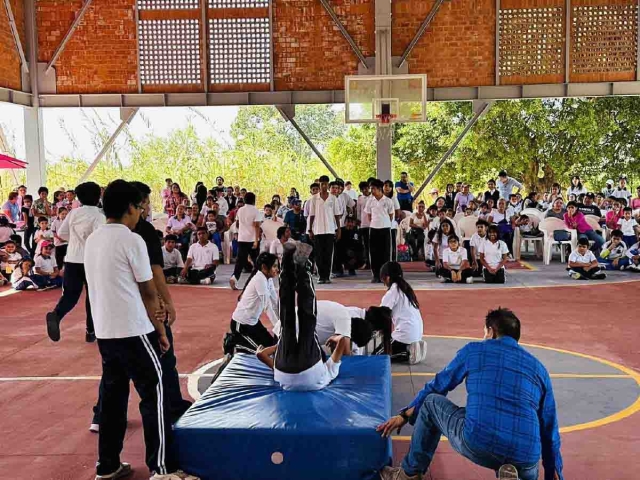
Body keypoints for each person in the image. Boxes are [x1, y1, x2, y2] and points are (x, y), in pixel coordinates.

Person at [83, 179, 199, 480]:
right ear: (130, 208)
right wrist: (160, 330)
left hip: (106, 333)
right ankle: (163, 469)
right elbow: (149, 293)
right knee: (155, 395)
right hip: (134, 331)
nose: (142, 211)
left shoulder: (94, 239)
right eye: (140, 206)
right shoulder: (131, 240)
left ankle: (107, 466)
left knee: (113, 398)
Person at [377, 308, 563, 480]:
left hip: (479, 442)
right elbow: (549, 428)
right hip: (526, 457)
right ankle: (511, 472)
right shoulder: (539, 369)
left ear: (491, 331)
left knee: (432, 402)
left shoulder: (475, 350)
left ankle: (409, 474)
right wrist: (554, 472)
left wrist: (405, 414)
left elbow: (438, 385)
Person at [257, 243, 351, 391]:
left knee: (307, 317)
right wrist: (277, 350)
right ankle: (287, 262)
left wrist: (336, 338)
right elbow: (261, 355)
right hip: (282, 371)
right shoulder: (325, 375)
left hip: (310, 369)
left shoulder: (328, 373)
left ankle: (302, 268)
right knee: (287, 317)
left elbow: (343, 341)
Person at [46, 182, 104, 343]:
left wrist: (77, 240)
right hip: (92, 260)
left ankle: (56, 315)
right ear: (98, 195)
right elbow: (100, 237)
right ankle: (91, 331)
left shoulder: (73, 213)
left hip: (72, 259)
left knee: (70, 295)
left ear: (78, 198)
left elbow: (62, 233)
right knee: (93, 296)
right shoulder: (99, 216)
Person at [226, 252, 279, 355]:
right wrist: (278, 328)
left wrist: (281, 324)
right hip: (241, 325)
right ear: (264, 267)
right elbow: (267, 306)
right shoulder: (259, 279)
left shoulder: (268, 279)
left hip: (254, 323)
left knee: (272, 346)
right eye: (274, 266)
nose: (277, 269)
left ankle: (242, 343)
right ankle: (233, 343)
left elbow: (275, 302)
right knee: (263, 353)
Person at [376, 261, 425, 364]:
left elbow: (380, 314)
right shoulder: (406, 289)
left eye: (383, 280)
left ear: (388, 278)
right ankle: (412, 346)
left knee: (377, 357)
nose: (384, 284)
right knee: (382, 352)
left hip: (405, 334)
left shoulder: (393, 291)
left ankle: (407, 353)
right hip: (416, 332)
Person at [308, 175, 342, 284]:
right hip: (318, 230)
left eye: (325, 184)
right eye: (322, 184)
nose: (324, 186)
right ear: (319, 185)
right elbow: (311, 215)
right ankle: (321, 276)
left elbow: (337, 215)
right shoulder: (314, 199)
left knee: (328, 254)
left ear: (328, 185)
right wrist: (310, 229)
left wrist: (339, 229)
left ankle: (327, 276)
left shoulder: (333, 198)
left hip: (330, 229)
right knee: (319, 254)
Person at [230, 191, 261, 290]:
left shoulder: (240, 210)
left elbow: (237, 224)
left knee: (240, 260)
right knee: (257, 261)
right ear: (254, 200)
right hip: (252, 239)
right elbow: (256, 226)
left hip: (242, 238)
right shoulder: (256, 211)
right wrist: (256, 241)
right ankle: (255, 281)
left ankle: (234, 277)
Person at [366, 179, 394, 283]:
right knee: (374, 253)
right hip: (373, 229)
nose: (371, 190)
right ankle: (375, 275)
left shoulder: (388, 201)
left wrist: (384, 223)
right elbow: (369, 215)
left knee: (385, 253)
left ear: (379, 189)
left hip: (385, 229)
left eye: (373, 188)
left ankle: (385, 275)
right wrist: (374, 223)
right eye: (371, 188)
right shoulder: (370, 201)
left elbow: (391, 216)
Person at [356, 181, 372, 269]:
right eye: (363, 189)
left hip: (373, 224)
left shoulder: (373, 197)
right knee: (365, 244)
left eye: (366, 188)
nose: (365, 190)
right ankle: (367, 262)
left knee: (373, 244)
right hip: (364, 224)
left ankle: (374, 262)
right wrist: (358, 220)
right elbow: (358, 211)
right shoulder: (360, 199)